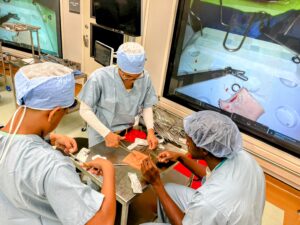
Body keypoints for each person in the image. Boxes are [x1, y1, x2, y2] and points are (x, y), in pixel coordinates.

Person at [0, 62, 116, 225]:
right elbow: (103, 222)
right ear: (53, 113)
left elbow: (16, 143)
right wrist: (108, 170)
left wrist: (51, 138)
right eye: (63, 114)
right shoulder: (53, 165)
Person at [141, 110, 265, 225]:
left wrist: (156, 183)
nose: (186, 142)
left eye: (189, 140)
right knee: (168, 190)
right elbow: (211, 175)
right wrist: (180, 157)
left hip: (218, 210)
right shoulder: (242, 157)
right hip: (235, 213)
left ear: (203, 149)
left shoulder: (208, 201)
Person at [78, 42, 158, 149]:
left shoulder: (145, 77)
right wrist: (107, 134)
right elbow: (84, 110)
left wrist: (150, 131)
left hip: (127, 134)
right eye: (127, 75)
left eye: (136, 77)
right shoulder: (99, 78)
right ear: (119, 66)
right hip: (101, 135)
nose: (130, 80)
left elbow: (147, 105)